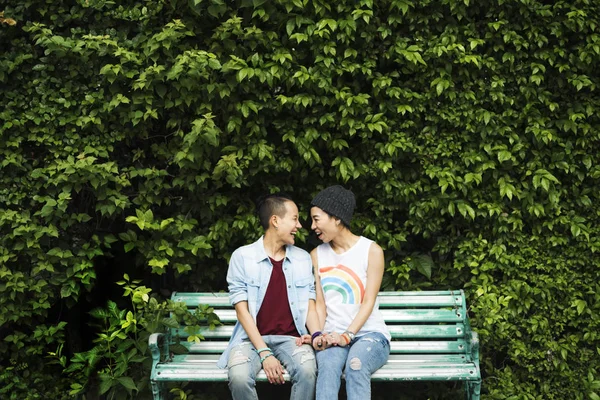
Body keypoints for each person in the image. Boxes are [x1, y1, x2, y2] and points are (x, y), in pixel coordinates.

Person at [217, 193, 320, 400]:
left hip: (292, 340)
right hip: (250, 341)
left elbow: (309, 303)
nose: (299, 225)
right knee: (238, 377)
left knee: (308, 372)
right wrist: (264, 353)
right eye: (294, 218)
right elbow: (242, 311)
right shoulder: (242, 257)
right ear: (275, 220)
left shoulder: (302, 259)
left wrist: (316, 334)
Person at [308, 185, 391, 400]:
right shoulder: (316, 255)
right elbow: (320, 305)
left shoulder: (371, 251)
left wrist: (348, 335)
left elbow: (368, 301)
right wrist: (318, 334)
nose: (312, 226)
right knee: (327, 370)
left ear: (336, 217)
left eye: (317, 219)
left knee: (356, 365)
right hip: (332, 336)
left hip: (370, 335)